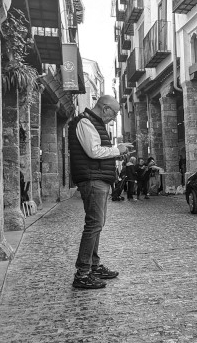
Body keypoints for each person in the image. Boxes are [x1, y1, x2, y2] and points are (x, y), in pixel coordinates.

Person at [68, 95, 133, 289]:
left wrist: (117, 151)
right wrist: (116, 150)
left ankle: (93, 266)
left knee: (97, 224)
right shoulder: (85, 122)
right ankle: (82, 273)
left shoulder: (93, 122)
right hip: (92, 179)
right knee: (94, 224)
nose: (113, 119)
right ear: (104, 109)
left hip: (97, 178)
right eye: (113, 114)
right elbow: (93, 151)